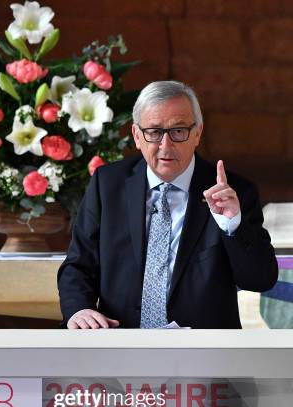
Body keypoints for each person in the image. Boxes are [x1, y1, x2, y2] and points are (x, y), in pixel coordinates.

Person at [58, 80, 278, 329]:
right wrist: (79, 309)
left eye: (178, 131)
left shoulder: (233, 192)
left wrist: (232, 225)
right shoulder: (107, 185)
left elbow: (260, 279)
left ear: (197, 133)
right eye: (154, 132)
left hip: (205, 354)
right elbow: (78, 266)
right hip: (120, 344)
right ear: (136, 136)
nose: (166, 145)